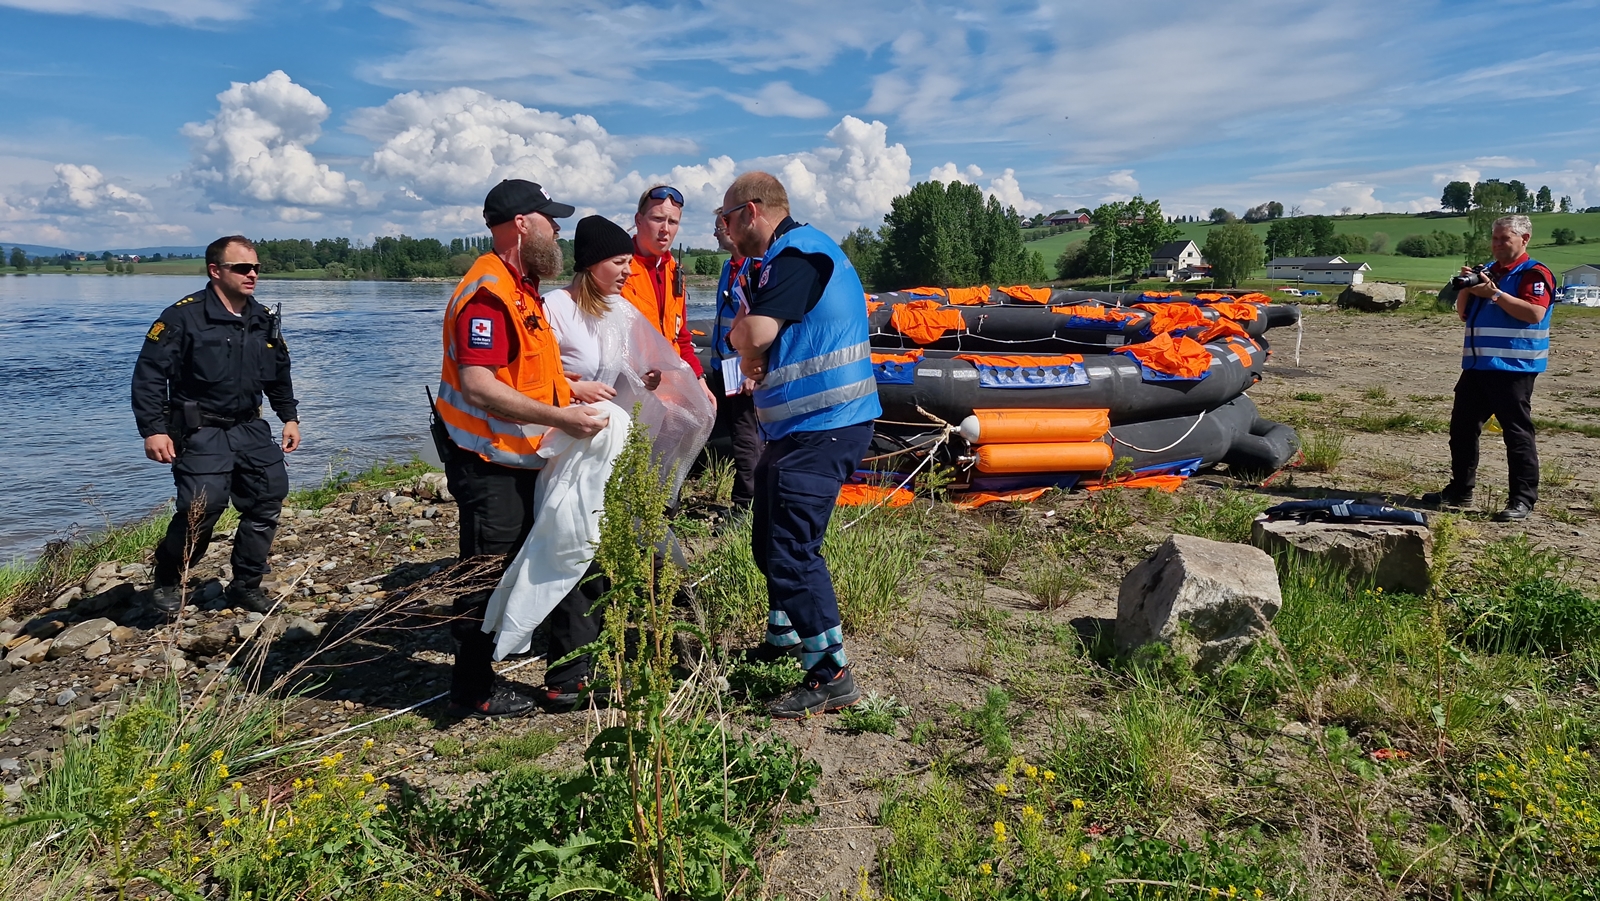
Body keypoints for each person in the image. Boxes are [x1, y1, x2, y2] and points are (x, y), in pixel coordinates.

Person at [431, 178, 610, 718]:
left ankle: (570, 680)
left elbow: (527, 372)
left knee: (571, 549)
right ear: (521, 224)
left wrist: (571, 391)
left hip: (531, 453)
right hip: (488, 460)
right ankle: (472, 690)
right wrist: (562, 417)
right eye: (550, 220)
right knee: (489, 571)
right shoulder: (487, 293)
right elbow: (480, 384)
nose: (558, 231)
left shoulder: (522, 288)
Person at [725, 171, 881, 718]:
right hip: (798, 429)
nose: (723, 232)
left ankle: (830, 672)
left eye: (725, 220)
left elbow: (753, 337)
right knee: (767, 541)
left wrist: (741, 335)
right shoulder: (784, 258)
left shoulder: (796, 256)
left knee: (792, 549)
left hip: (827, 426)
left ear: (751, 212)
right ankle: (785, 636)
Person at [132, 235, 300, 617]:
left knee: (266, 500)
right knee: (200, 507)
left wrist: (289, 416)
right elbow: (149, 375)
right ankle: (169, 581)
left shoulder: (261, 319)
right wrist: (153, 429)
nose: (252, 274)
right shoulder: (182, 316)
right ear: (215, 270)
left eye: (256, 267)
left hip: (249, 427)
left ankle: (245, 585)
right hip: (200, 429)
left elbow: (278, 374)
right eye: (242, 268)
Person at [1423, 214, 1557, 522]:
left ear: (1524, 240)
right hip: (1478, 365)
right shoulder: (1489, 272)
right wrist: (1469, 286)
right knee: (1462, 430)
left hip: (1514, 367)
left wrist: (1495, 293)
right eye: (1494, 239)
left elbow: (1535, 313)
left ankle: (1522, 499)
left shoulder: (1533, 273)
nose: (1497, 245)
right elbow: (1463, 314)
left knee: (1517, 434)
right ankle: (1459, 491)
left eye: (1504, 239)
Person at [621, 184, 717, 407]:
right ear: (639, 220)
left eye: (672, 222)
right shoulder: (620, 268)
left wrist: (699, 378)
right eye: (657, 219)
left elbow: (681, 337)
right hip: (632, 395)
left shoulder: (674, 271)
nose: (665, 228)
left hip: (669, 395)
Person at [708, 217, 764, 511]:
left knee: (746, 437)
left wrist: (753, 368)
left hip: (743, 370)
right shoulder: (728, 268)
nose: (715, 234)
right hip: (723, 366)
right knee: (739, 432)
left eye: (719, 228)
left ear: (733, 229)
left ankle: (745, 505)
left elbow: (763, 324)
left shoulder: (756, 268)